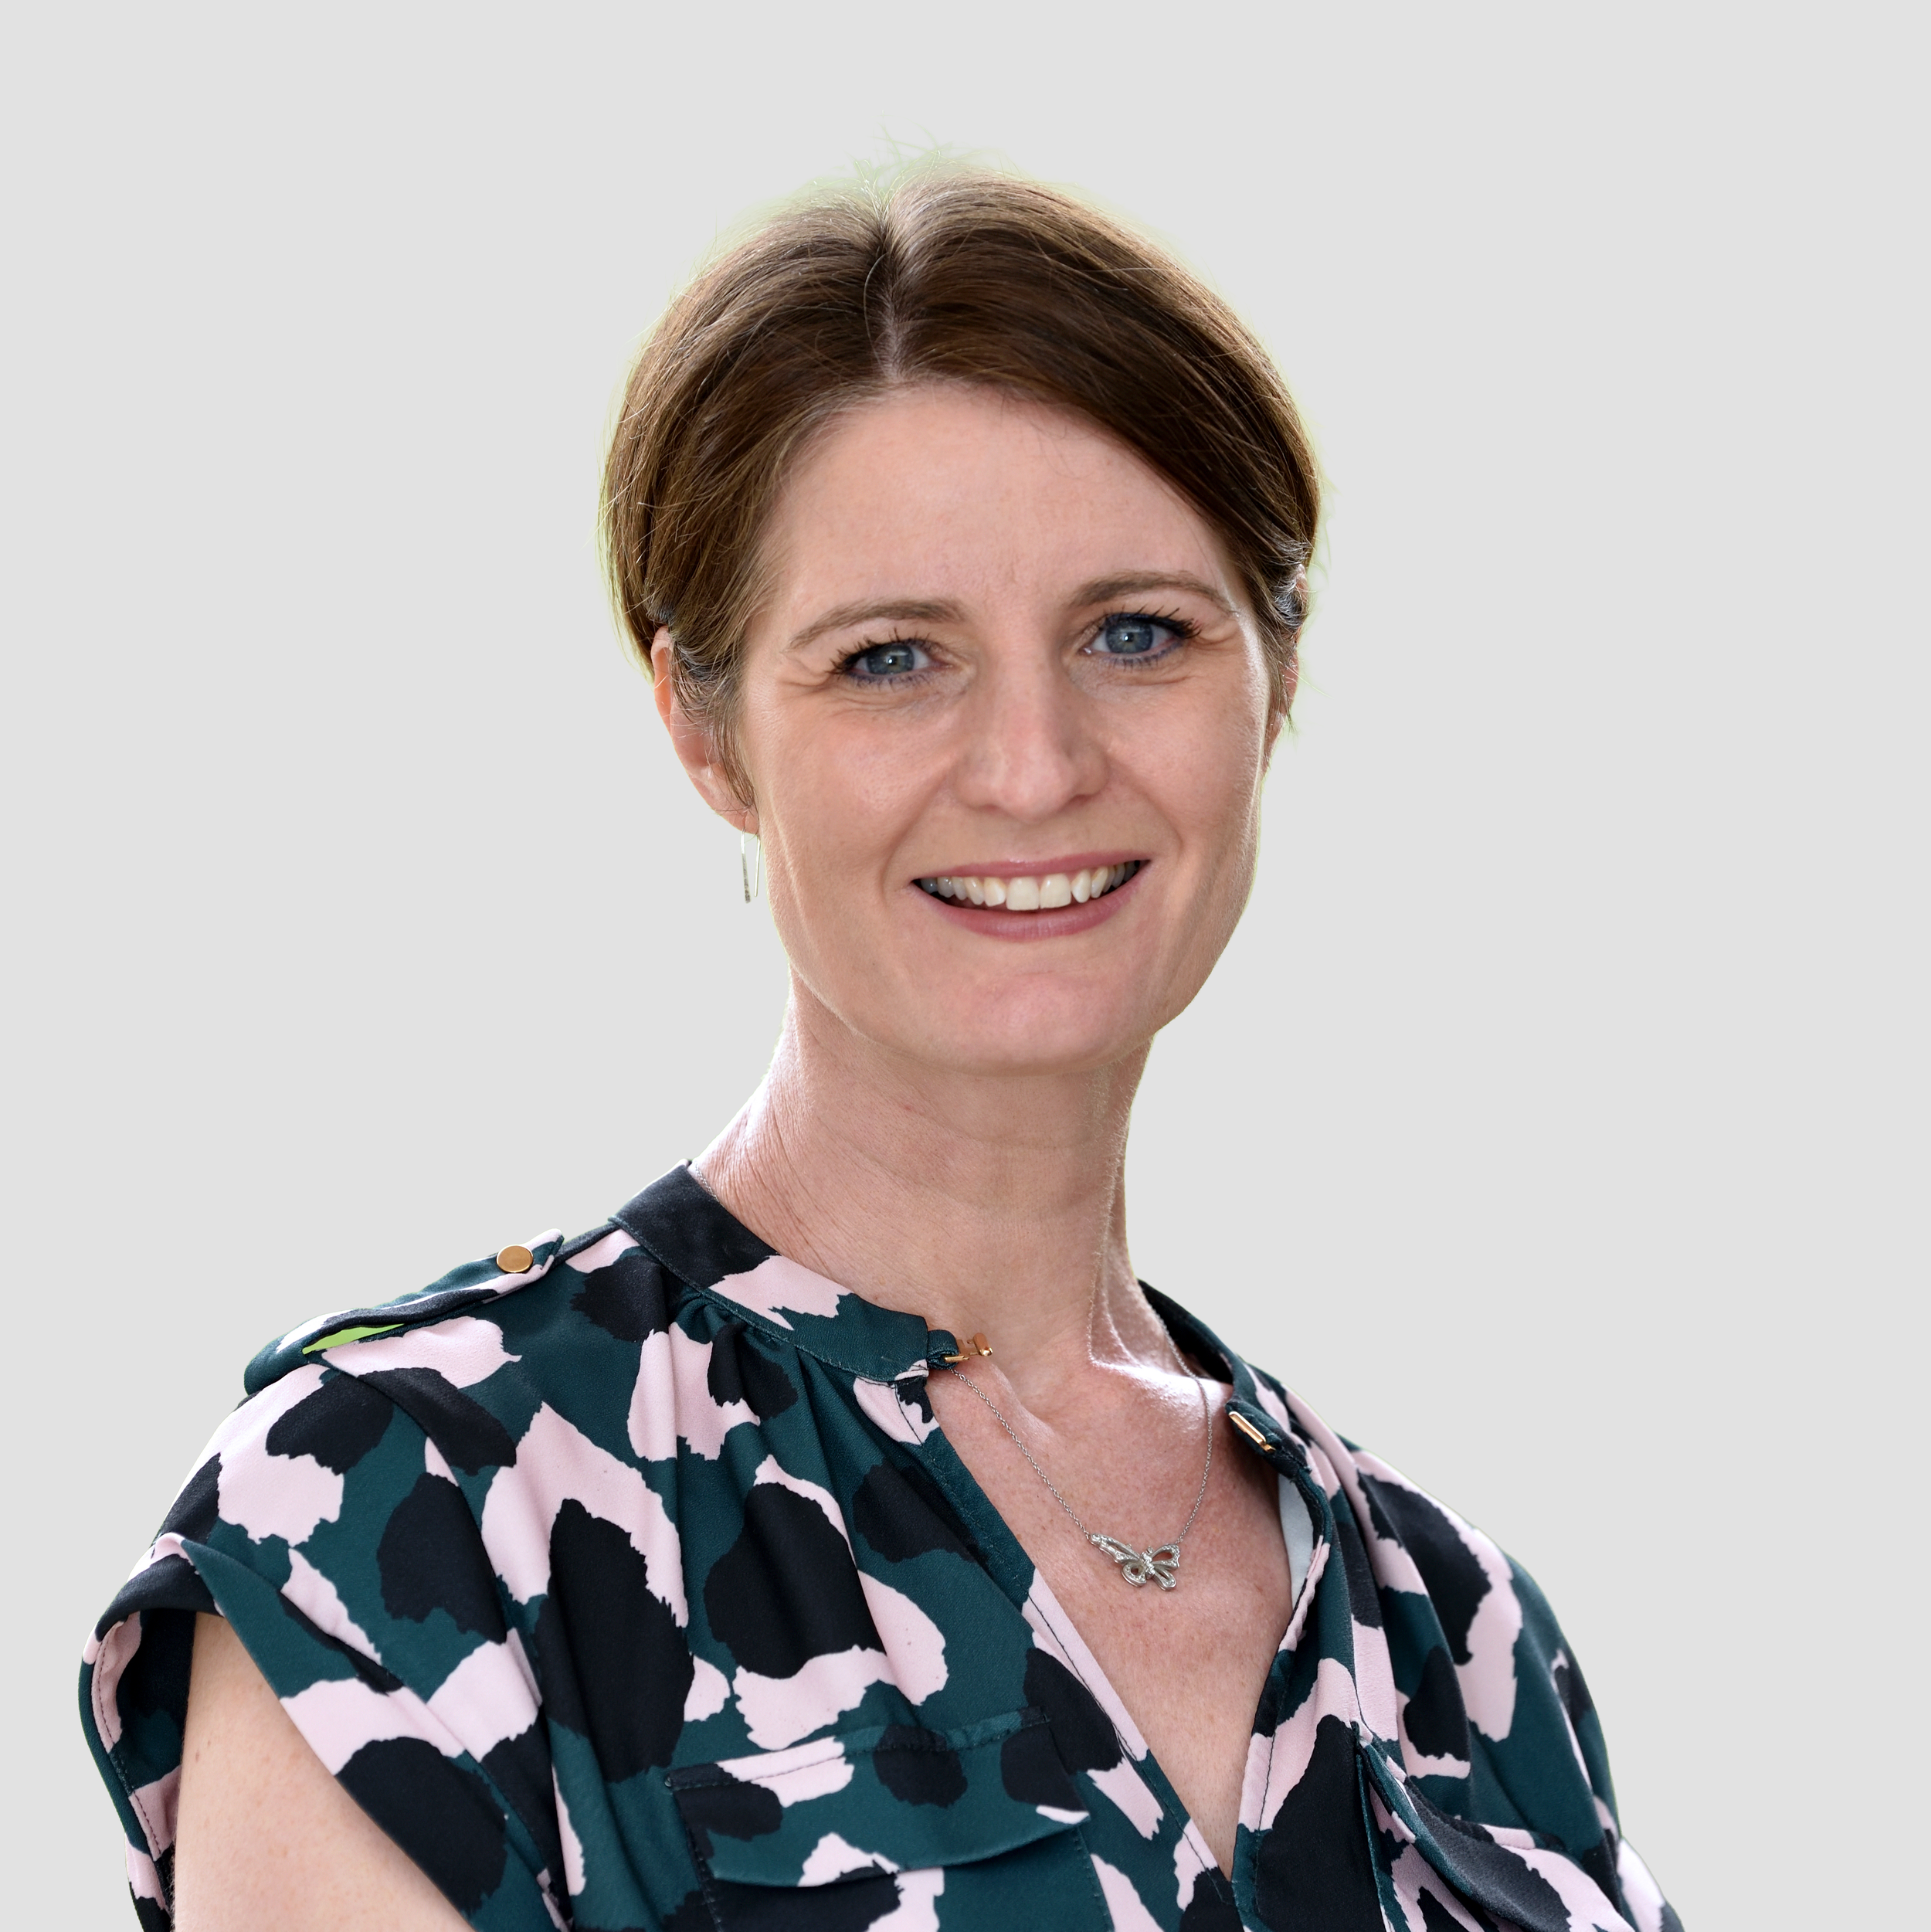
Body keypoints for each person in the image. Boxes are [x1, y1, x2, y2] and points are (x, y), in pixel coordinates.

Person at [81, 164, 1680, 1932]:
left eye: (1133, 632)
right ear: (704, 724)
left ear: (1272, 676)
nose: (1028, 763)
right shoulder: (417, 1517)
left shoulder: (1452, 1633)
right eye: (890, 657)